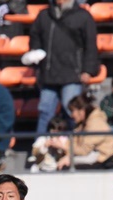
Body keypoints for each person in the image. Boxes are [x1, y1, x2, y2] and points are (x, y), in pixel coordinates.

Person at [27, 0, 99, 133]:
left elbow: (91, 46)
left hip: (73, 74)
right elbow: (35, 36)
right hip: (49, 75)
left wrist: (88, 70)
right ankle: (39, 148)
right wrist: (35, 52)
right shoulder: (44, 15)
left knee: (72, 112)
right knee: (45, 112)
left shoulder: (83, 16)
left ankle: (74, 148)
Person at [56, 94, 113, 170]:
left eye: (72, 111)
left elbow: (84, 150)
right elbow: (74, 143)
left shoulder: (96, 124)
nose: (71, 115)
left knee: (64, 168)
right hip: (91, 159)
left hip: (102, 162)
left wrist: (63, 146)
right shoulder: (82, 125)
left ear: (81, 111)